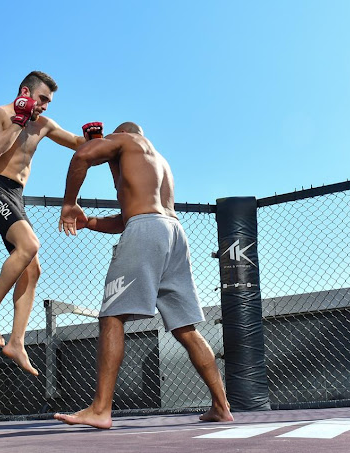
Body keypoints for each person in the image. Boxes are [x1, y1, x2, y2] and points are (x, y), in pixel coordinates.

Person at [54, 122, 234, 428]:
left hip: (147, 230)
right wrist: (90, 222)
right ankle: (221, 405)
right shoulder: (159, 162)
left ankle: (101, 409)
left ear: (122, 134)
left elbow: (82, 155)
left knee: (112, 317)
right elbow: (130, 217)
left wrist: (70, 204)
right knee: (186, 328)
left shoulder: (125, 141)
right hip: (174, 234)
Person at [0, 70, 102, 376]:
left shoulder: (43, 124)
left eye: (49, 102)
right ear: (25, 92)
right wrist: (19, 119)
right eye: (42, 98)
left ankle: (16, 342)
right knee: (30, 245)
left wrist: (94, 141)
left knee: (32, 268)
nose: (45, 106)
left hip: (16, 197)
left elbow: (77, 143)